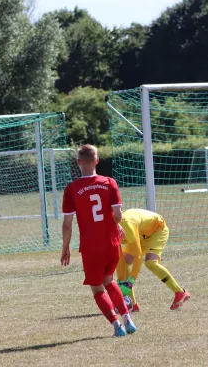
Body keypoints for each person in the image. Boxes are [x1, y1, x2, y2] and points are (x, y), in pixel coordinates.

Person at [60, 144, 137, 337]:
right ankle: (128, 320)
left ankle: (117, 326)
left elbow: (67, 224)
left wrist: (65, 247)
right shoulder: (109, 182)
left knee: (97, 288)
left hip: (91, 247)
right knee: (110, 281)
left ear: (78, 162)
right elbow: (118, 216)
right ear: (97, 160)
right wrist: (115, 225)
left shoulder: (72, 189)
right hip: (111, 244)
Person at [116, 208, 190, 311]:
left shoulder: (126, 228)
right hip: (141, 233)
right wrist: (120, 281)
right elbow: (119, 259)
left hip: (157, 229)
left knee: (150, 263)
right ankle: (133, 304)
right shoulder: (108, 231)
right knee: (125, 261)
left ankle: (180, 292)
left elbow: (138, 257)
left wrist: (131, 281)